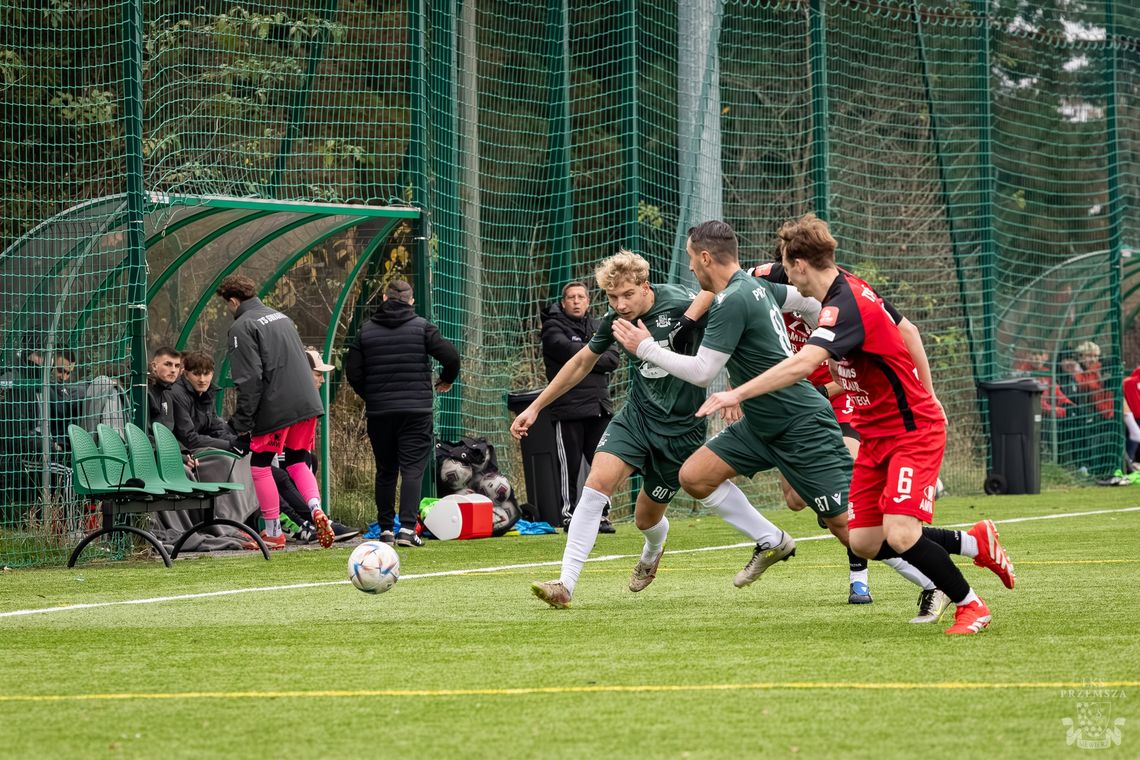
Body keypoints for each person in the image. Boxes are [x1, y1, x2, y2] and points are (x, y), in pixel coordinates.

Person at [697, 213, 1016, 635]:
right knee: (864, 540)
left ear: (799, 265)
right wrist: (931, 389)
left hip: (910, 432)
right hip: (876, 434)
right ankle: (975, 543)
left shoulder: (846, 306)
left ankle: (971, 605)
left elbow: (804, 364)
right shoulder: (845, 284)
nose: (791, 281)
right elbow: (909, 331)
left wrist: (737, 392)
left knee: (901, 534)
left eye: (789, 270)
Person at [613, 221, 936, 617]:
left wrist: (645, 346)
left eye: (690, 260)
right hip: (761, 421)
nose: (691, 271)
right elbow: (809, 304)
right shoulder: (754, 286)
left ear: (705, 257)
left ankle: (932, 581)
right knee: (695, 476)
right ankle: (771, 539)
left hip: (799, 422)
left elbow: (701, 371)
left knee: (847, 529)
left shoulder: (734, 298)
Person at [515, 250, 717, 609]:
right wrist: (535, 407)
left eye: (627, 295)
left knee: (646, 519)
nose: (620, 305)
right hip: (636, 418)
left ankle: (654, 548)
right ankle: (565, 584)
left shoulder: (683, 304)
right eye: (612, 298)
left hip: (682, 429)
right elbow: (580, 363)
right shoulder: (614, 319)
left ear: (645, 286)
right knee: (595, 487)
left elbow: (723, 305)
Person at [217, 273, 334, 550]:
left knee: (260, 465)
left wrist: (242, 425)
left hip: (277, 405)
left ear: (233, 300)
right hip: (307, 403)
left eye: (227, 306)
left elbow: (250, 379)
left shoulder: (242, 326)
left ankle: (273, 531)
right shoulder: (280, 317)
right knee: (297, 460)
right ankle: (316, 508)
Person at [344, 279, 460, 548]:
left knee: (385, 470)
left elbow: (353, 373)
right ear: (410, 301)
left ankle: (385, 529)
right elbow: (452, 357)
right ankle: (407, 530)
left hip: (380, 412)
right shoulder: (422, 328)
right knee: (412, 470)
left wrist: (372, 395)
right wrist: (445, 380)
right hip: (416, 411)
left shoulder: (365, 331)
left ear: (384, 299)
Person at [541, 281, 621, 533]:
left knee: (603, 462)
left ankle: (601, 515)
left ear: (588, 301)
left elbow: (613, 358)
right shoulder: (552, 327)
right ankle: (568, 515)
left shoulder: (599, 326)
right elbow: (566, 351)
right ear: (563, 302)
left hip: (599, 406)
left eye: (581, 297)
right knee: (570, 466)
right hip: (568, 408)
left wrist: (586, 356)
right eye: (571, 297)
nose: (576, 301)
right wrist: (593, 352)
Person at [272, 348, 359, 544]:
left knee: (307, 459)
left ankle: (314, 516)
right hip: (256, 456)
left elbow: (298, 459)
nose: (323, 380)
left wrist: (314, 505)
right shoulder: (278, 399)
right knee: (272, 472)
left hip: (275, 456)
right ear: (301, 372)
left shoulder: (309, 404)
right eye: (318, 374)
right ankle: (289, 525)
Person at [147, 346, 182, 433]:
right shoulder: (145, 393)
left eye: (177, 366)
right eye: (168, 364)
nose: (173, 370)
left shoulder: (167, 394)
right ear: (154, 366)